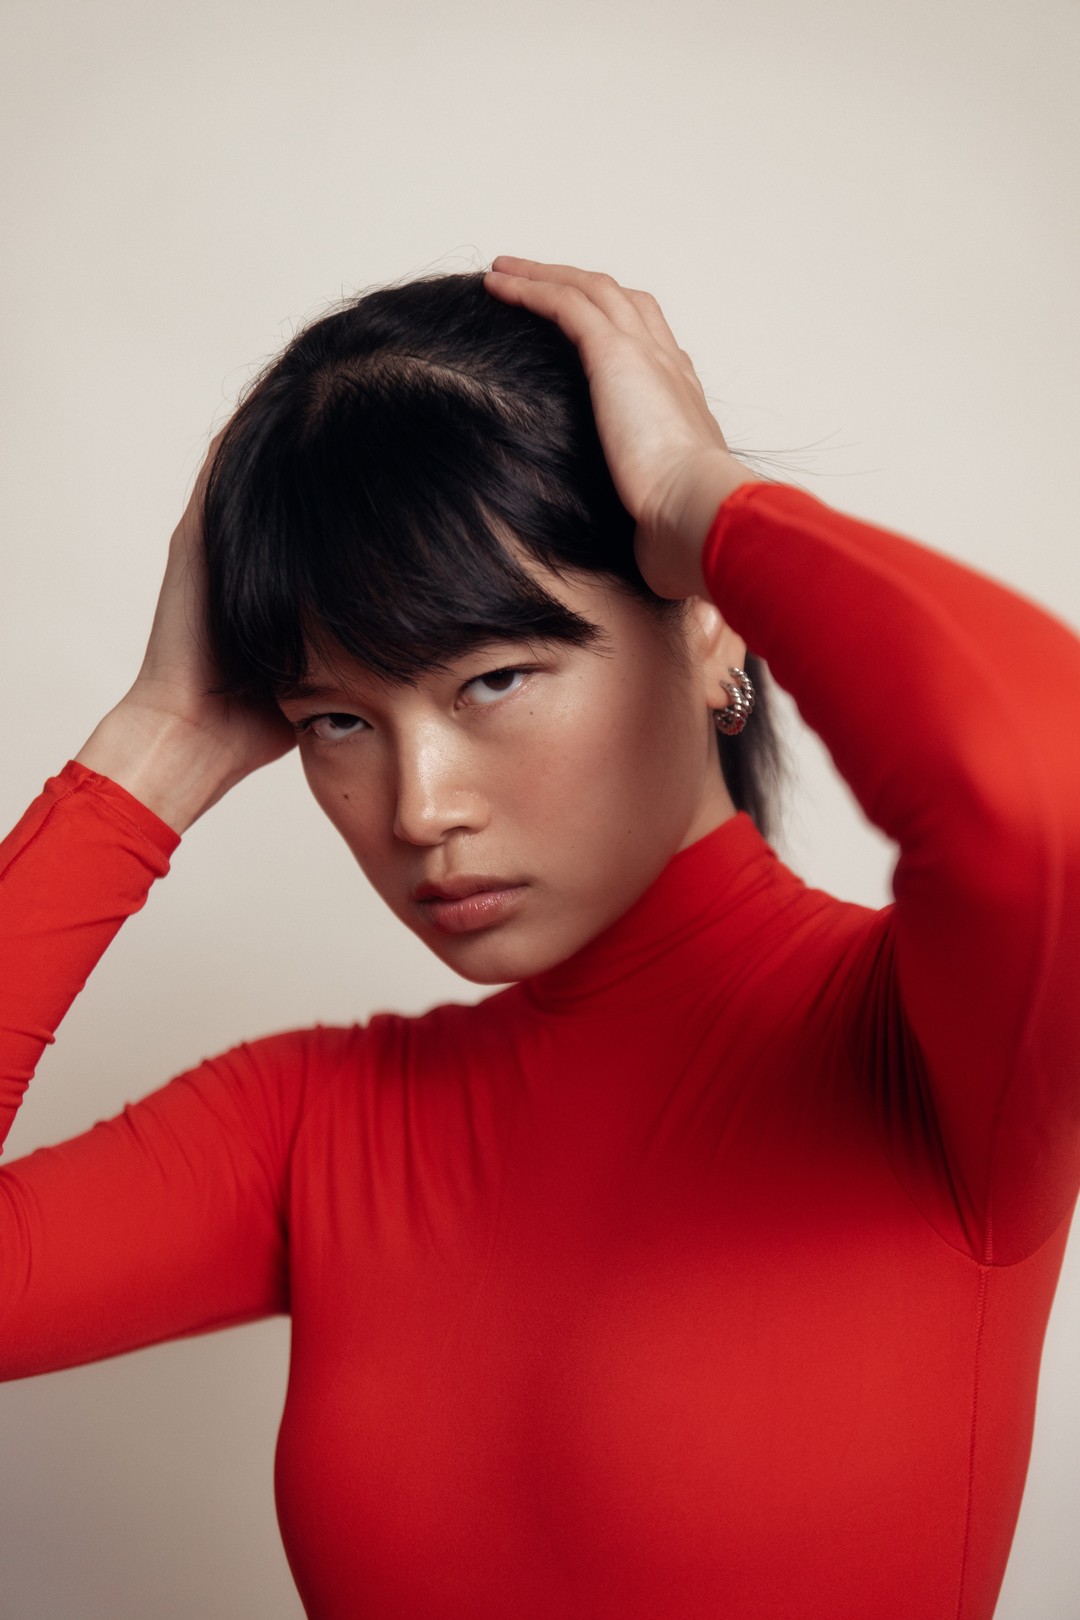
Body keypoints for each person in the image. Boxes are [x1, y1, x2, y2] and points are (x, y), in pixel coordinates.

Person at [2, 257, 1079, 1620]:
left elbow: (1042, 790)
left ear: (707, 627)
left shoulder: (926, 1057)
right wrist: (155, 743)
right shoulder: (317, 1127)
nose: (420, 807)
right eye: (339, 719)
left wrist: (700, 498)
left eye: (494, 678)